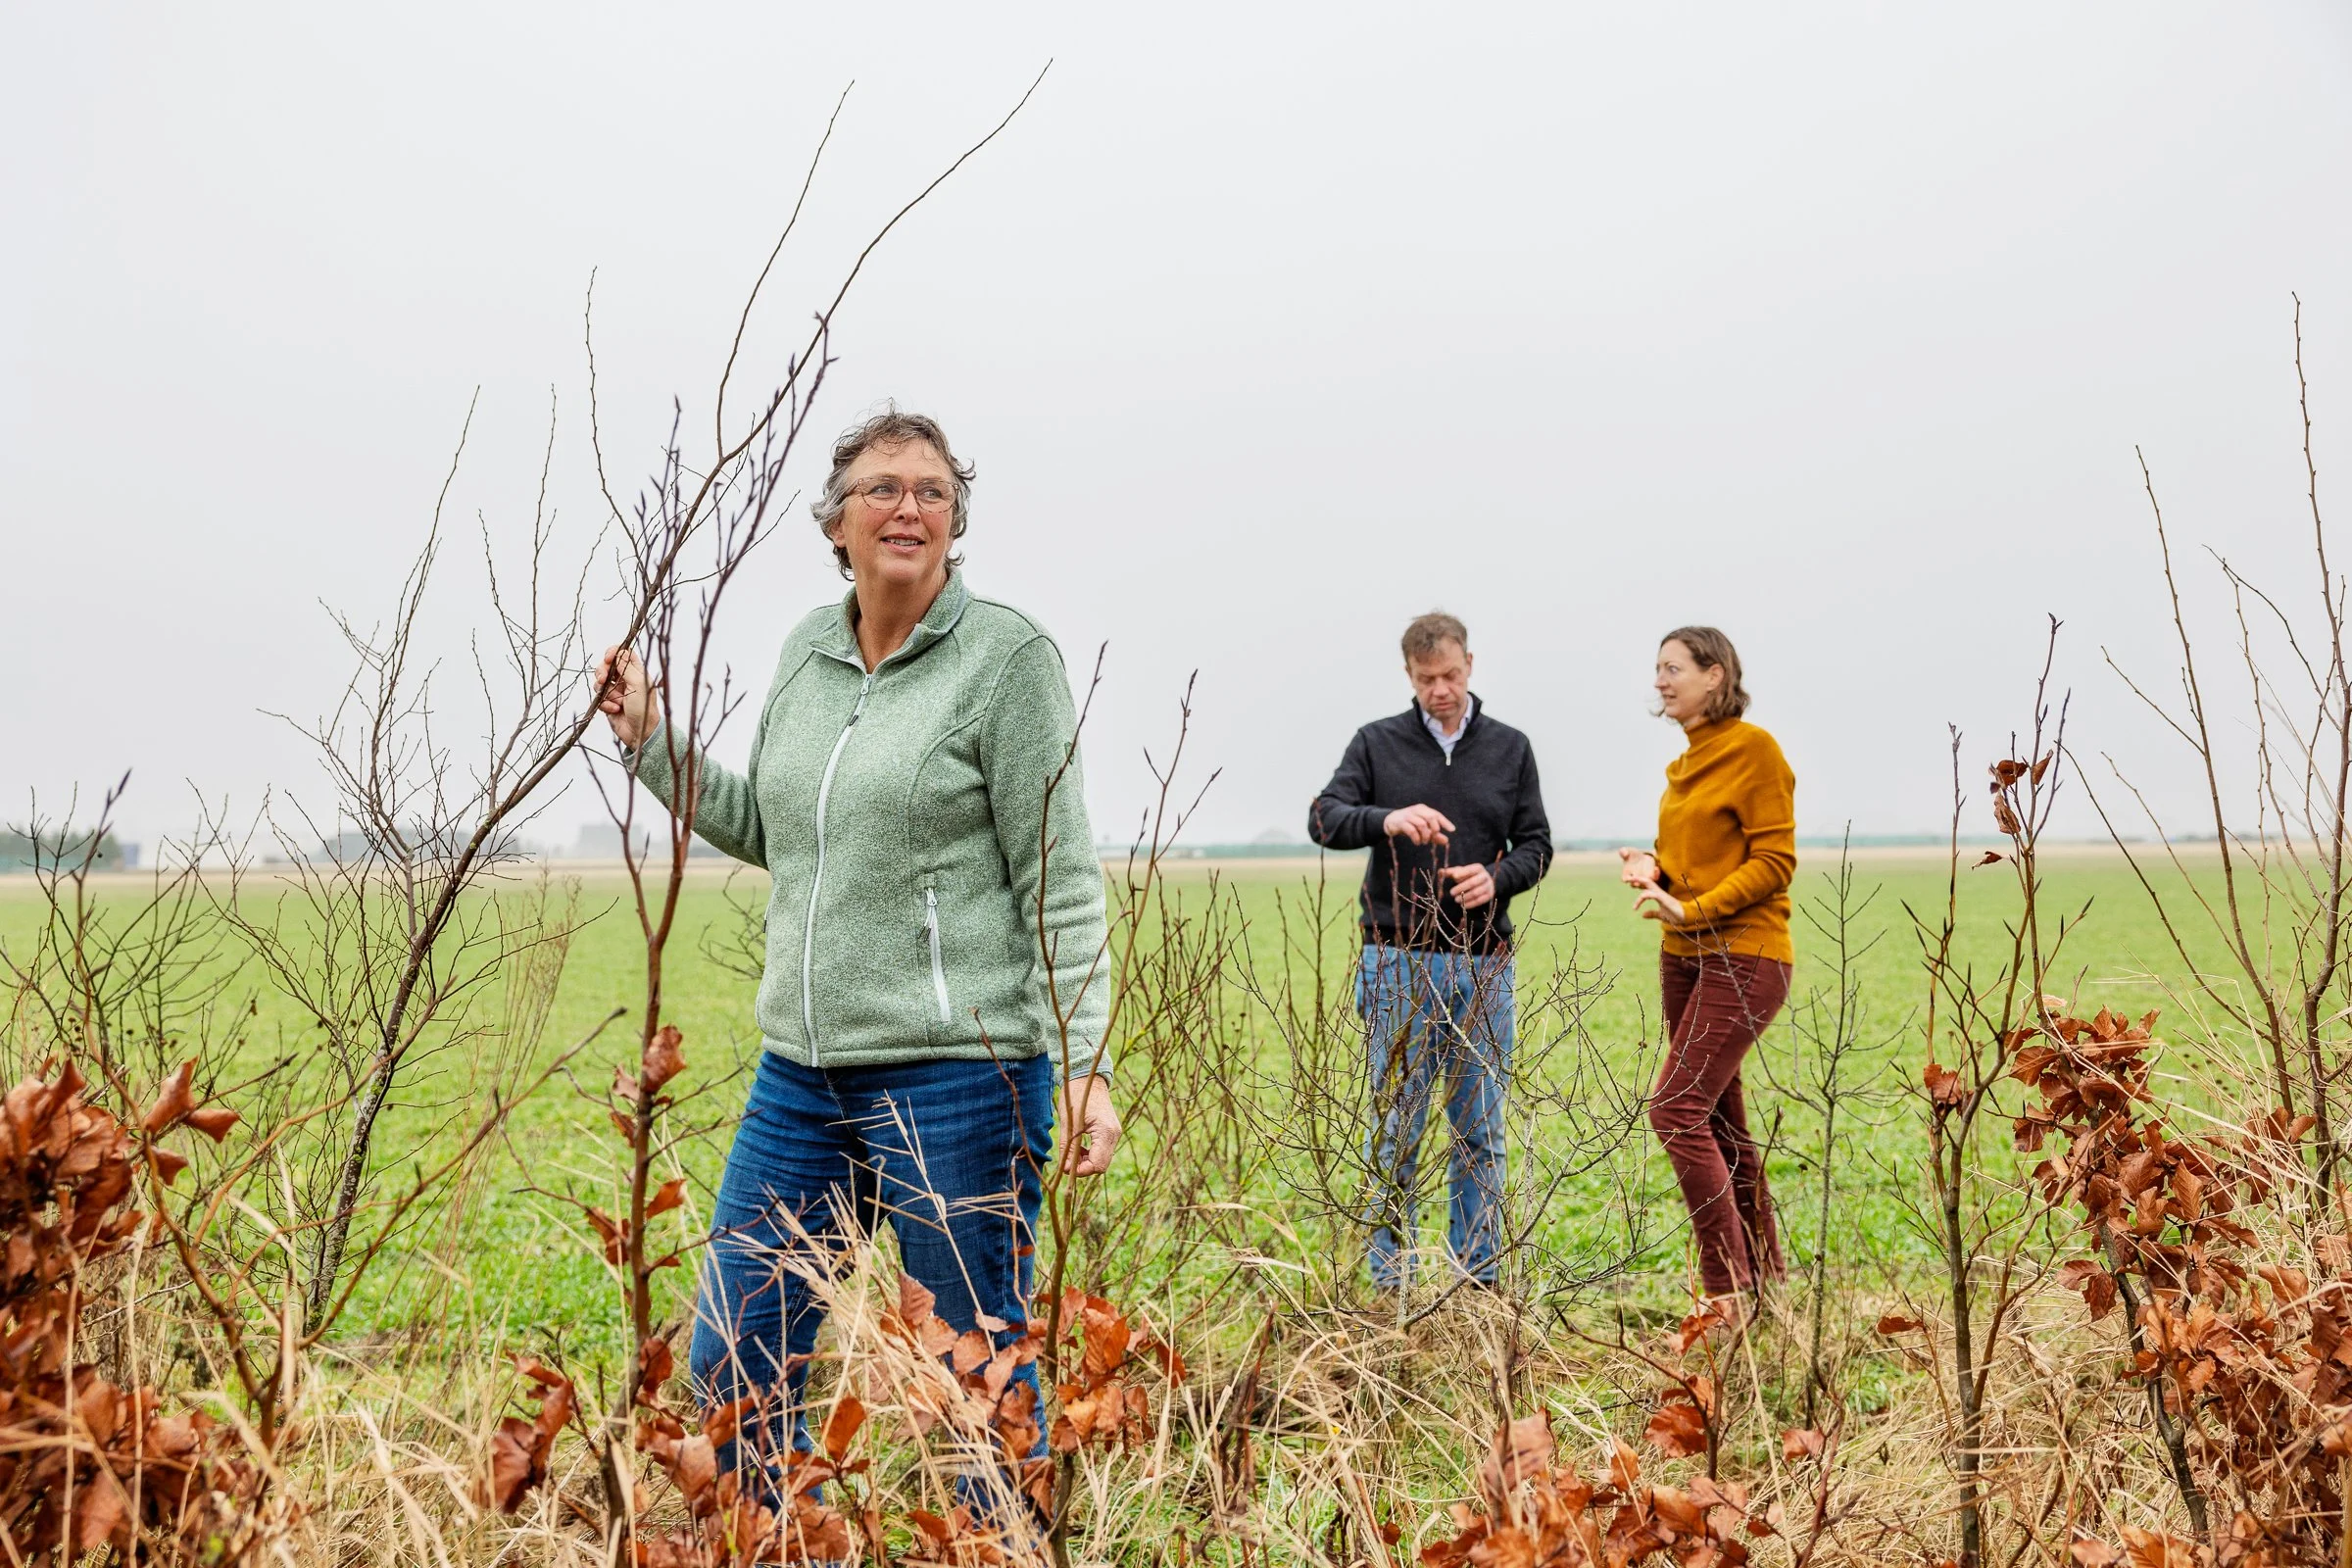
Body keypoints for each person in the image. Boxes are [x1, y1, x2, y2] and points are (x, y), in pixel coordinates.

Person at [593, 409, 1119, 1486]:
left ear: (956, 519)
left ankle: (1000, 1556)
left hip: (957, 1081)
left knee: (972, 1380)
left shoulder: (1007, 662)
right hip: (803, 1076)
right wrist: (650, 739)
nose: (909, 506)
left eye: (933, 490)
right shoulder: (807, 652)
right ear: (836, 524)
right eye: (883, 488)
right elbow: (768, 826)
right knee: (737, 1362)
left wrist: (1087, 1062)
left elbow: (1058, 880)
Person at [1306, 612, 1552, 1290]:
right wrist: (1387, 818)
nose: (1439, 690)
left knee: (1479, 1132)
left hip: (1483, 965)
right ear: (1408, 676)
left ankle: (1479, 1283)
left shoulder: (1511, 749)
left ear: (1470, 664)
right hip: (1396, 961)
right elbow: (1324, 817)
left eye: (1448, 675)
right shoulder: (1376, 744)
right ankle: (1391, 1286)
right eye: (1425, 680)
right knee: (1396, 1129)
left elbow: (1537, 846)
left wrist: (1496, 879)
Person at [1617, 626, 1795, 1324]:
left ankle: (1726, 1294)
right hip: (1684, 957)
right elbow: (1699, 856)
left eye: (1674, 668)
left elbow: (1772, 863)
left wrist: (1689, 906)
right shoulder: (1687, 763)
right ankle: (1767, 1292)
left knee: (1674, 1109)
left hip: (1746, 955)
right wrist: (1654, 868)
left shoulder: (1756, 752)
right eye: (1657, 669)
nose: (1660, 680)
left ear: (1715, 676)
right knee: (1721, 1127)